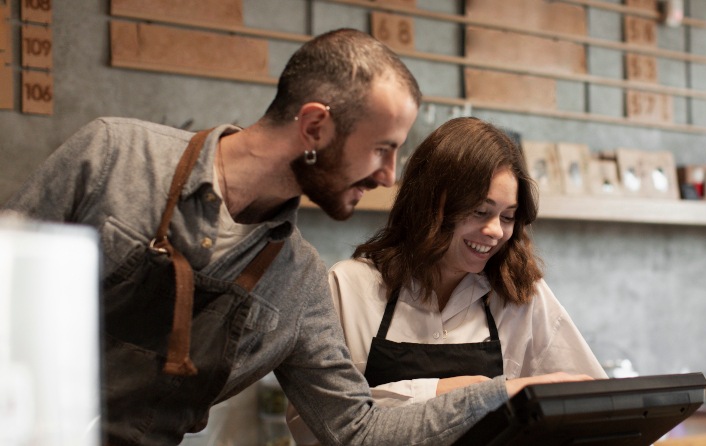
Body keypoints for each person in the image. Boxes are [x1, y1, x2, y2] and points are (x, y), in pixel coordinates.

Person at [2, 29, 589, 445]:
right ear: (314, 127)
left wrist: (502, 394)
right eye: (382, 149)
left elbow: (355, 430)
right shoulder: (116, 157)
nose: (389, 177)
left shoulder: (297, 281)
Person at [287, 117, 608, 445]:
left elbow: (592, 409)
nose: (495, 231)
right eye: (480, 212)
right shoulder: (348, 287)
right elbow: (313, 426)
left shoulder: (522, 293)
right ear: (430, 204)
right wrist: (450, 392)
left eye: (508, 216)